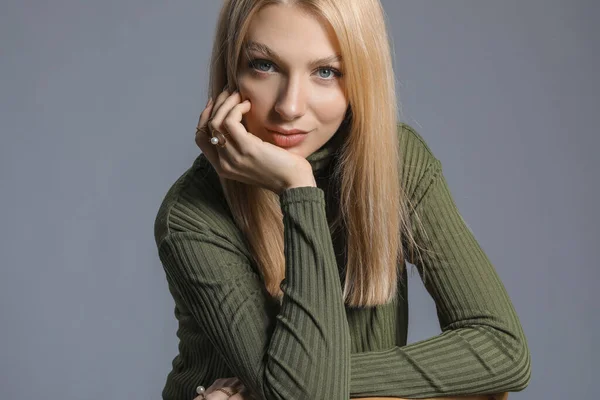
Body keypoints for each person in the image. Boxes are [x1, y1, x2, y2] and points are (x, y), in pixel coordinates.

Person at [153, 0, 532, 399]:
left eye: (326, 72)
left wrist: (285, 384)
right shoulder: (191, 216)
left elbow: (503, 349)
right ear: (231, 70)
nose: (290, 107)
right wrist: (298, 189)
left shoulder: (394, 164)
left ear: (361, 77)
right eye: (264, 65)